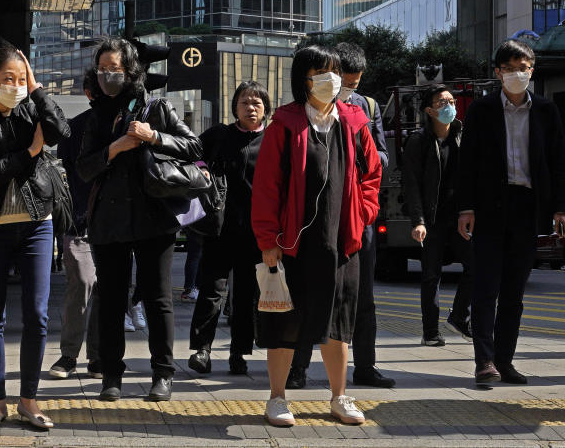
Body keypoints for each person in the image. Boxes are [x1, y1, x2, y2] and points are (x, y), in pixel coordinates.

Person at [251, 44, 382, 427]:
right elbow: (267, 187)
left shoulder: (355, 120)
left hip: (342, 240)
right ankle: (277, 398)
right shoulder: (285, 123)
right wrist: (267, 240)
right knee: (285, 322)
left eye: (335, 72)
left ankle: (339, 397)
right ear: (303, 79)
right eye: (322, 73)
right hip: (293, 244)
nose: (331, 80)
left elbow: (373, 175)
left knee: (340, 321)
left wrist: (363, 214)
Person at [78, 37, 203, 403]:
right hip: (109, 220)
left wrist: (155, 137)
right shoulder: (97, 114)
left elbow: (194, 147)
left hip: (153, 217)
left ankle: (162, 374)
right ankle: (111, 376)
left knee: (157, 298)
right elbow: (84, 168)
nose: (107, 77)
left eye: (114, 70)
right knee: (112, 301)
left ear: (131, 72)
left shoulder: (157, 108)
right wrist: (115, 148)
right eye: (102, 70)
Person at [0, 44, 69, 429]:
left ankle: (29, 400)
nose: (15, 86)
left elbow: (61, 130)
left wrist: (37, 91)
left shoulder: (30, 106)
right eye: (8, 79)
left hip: (37, 223)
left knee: (37, 315)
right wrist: (29, 152)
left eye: (21, 79)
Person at [286, 42, 394, 390]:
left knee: (361, 297)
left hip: (356, 220)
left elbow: (379, 161)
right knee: (309, 293)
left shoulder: (366, 108)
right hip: (316, 219)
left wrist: (364, 210)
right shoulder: (298, 113)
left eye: (352, 83)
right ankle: (297, 367)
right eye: (340, 78)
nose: (344, 87)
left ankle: (365, 365)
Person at [457, 39, 565, 385]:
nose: (518, 74)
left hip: (527, 207)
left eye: (524, 68)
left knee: (515, 292)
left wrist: (560, 207)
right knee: (486, 287)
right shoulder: (481, 110)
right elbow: (468, 161)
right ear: (497, 72)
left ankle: (505, 360)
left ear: (532, 71)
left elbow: (558, 161)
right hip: (489, 207)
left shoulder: (546, 110)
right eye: (510, 68)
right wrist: (466, 207)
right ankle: (484, 362)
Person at [187, 80, 267, 377]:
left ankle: (238, 353)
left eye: (257, 103)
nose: (250, 107)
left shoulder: (270, 140)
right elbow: (191, 154)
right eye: (245, 101)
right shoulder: (220, 134)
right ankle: (202, 350)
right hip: (220, 227)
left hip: (255, 232)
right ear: (235, 106)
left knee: (246, 294)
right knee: (212, 288)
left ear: (265, 110)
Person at [402, 85, 472, 347]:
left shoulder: (461, 135)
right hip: (432, 219)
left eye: (451, 101)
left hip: (459, 217)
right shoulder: (418, 141)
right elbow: (411, 184)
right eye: (442, 102)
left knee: (475, 266)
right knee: (431, 274)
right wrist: (418, 220)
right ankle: (431, 331)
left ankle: (459, 317)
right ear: (429, 110)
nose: (449, 106)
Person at [49, 68, 102, 380]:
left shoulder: (127, 125)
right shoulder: (73, 129)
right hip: (78, 221)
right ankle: (69, 354)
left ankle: (97, 357)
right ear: (87, 92)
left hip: (114, 224)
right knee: (80, 284)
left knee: (105, 289)